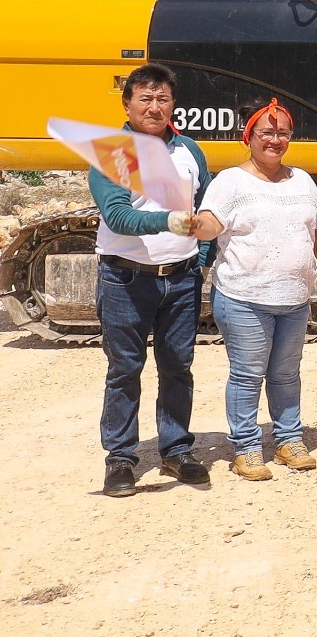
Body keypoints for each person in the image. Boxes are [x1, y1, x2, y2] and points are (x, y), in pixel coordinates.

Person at [193, 100, 317, 480]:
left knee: (287, 374)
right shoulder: (230, 182)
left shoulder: (302, 180)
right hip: (244, 299)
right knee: (248, 375)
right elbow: (211, 224)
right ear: (249, 136)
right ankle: (247, 448)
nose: (275, 140)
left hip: (294, 299)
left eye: (283, 133)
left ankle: (288, 440)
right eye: (267, 132)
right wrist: (195, 225)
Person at [91, 63, 212, 497]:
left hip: (180, 280)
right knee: (125, 369)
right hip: (125, 280)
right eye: (145, 98)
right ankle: (120, 459)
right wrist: (169, 221)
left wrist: (201, 258)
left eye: (163, 98)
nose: (154, 107)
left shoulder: (189, 151)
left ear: (173, 104)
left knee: (178, 367)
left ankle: (176, 449)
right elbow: (117, 216)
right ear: (127, 104)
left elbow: (206, 207)